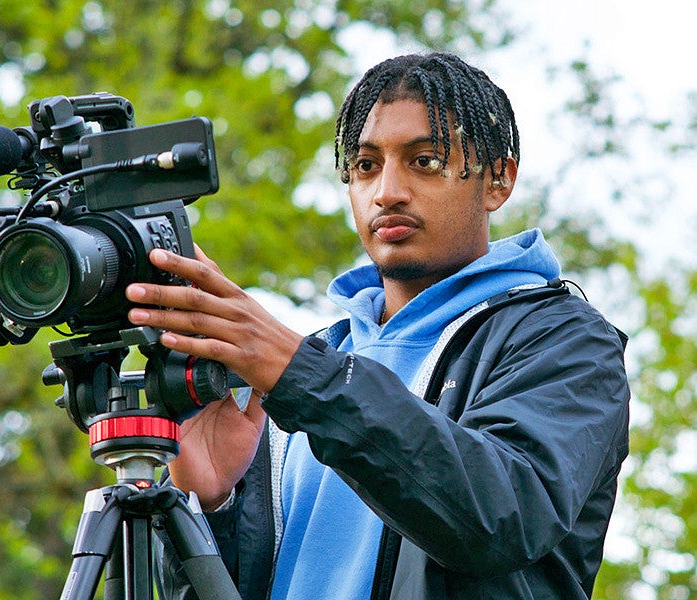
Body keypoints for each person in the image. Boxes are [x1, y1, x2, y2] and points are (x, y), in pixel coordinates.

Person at [124, 52, 630, 599]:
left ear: (498, 180)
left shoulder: (565, 339)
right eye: (366, 165)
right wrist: (213, 507)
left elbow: (505, 517)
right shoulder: (309, 363)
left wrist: (302, 374)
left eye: (426, 160)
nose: (387, 191)